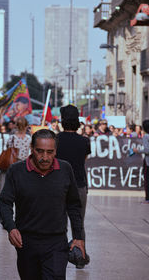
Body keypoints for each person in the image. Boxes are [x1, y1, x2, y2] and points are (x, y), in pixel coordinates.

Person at [0, 129, 85, 280]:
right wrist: (11, 227)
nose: (45, 157)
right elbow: (5, 202)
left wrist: (78, 236)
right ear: (31, 148)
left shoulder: (65, 169)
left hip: (56, 243)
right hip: (26, 243)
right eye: (40, 151)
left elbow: (74, 204)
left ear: (56, 151)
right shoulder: (16, 171)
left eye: (50, 152)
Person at [56, 104, 91, 269]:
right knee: (79, 222)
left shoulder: (55, 140)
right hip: (79, 185)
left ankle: (57, 256)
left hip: (58, 186)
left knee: (58, 222)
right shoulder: (84, 141)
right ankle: (80, 257)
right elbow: (82, 163)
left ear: (62, 120)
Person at [133, 119, 149, 203]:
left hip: (148, 162)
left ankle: (147, 198)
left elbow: (147, 150)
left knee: (147, 180)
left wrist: (137, 151)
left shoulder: (146, 137)